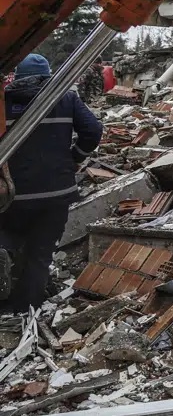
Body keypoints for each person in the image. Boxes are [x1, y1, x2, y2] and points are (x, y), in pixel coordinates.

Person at [0, 54, 103, 311]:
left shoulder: (3, 101)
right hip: (56, 192)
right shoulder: (65, 98)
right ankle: (26, 311)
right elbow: (93, 130)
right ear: (49, 76)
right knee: (40, 256)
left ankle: (6, 251)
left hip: (12, 194)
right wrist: (75, 158)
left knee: (7, 236)